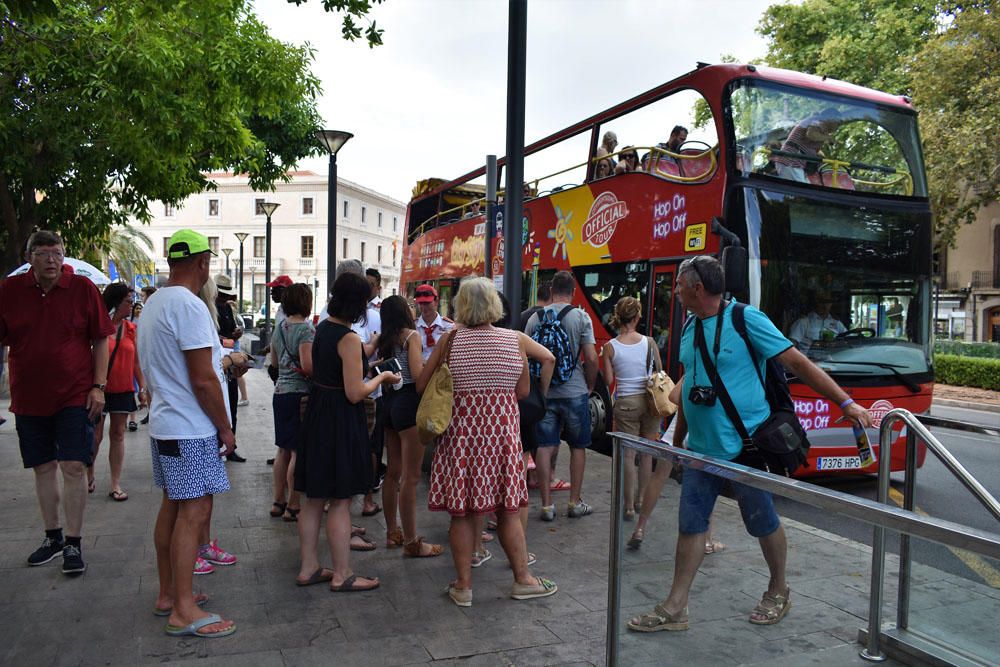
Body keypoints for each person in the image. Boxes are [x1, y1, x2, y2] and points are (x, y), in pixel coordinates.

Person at [627, 255, 872, 633]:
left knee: (761, 522)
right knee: (691, 525)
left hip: (745, 449)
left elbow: (800, 365)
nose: (673, 291)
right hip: (700, 451)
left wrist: (845, 402)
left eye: (678, 284)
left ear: (697, 287)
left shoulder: (746, 320)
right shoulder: (690, 327)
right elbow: (693, 382)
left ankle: (779, 589)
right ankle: (676, 606)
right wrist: (678, 444)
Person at [419, 277, 558, 607]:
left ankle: (464, 586)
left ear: (461, 306)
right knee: (508, 510)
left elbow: (422, 384)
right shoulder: (515, 340)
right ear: (494, 304)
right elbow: (523, 392)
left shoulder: (450, 341)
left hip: (461, 438)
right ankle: (523, 579)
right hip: (502, 437)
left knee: (462, 513)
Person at [138, 229, 248, 636]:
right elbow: (204, 380)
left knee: (173, 507)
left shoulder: (155, 303)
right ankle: (182, 610)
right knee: (194, 512)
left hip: (168, 425)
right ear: (202, 264)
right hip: (190, 428)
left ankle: (170, 593)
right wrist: (226, 428)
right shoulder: (188, 306)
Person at [0, 230, 114, 576]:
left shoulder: (82, 290)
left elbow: (100, 340)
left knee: (74, 466)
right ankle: (52, 536)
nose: (51, 259)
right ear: (29, 258)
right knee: (42, 467)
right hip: (29, 396)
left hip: (74, 394)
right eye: (43, 252)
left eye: (57, 252)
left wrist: (98, 386)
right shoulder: (9, 292)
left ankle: (74, 543)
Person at [294, 272, 400, 591]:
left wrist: (367, 372)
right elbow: (355, 392)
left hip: (317, 414)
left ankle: (309, 567)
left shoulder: (322, 329)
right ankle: (343, 574)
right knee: (340, 500)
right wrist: (382, 379)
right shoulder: (350, 338)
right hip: (340, 419)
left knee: (313, 499)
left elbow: (334, 373)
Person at [524, 270, 598, 521]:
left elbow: (527, 358)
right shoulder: (581, 317)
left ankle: (546, 505)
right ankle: (574, 502)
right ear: (573, 291)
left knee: (544, 446)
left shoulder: (535, 317)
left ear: (552, 289)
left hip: (545, 393)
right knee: (578, 445)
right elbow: (592, 357)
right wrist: (589, 385)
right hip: (575, 391)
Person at [377, 295, 443, 557]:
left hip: (389, 403)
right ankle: (413, 542)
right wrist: (433, 365)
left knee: (392, 472)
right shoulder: (410, 336)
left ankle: (393, 532)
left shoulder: (384, 339)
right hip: (408, 404)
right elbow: (417, 376)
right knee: (411, 477)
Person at [87, 282, 148, 501]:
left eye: (132, 302)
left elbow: (137, 363)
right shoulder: (97, 327)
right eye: (127, 302)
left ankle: (115, 483)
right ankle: (90, 472)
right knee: (95, 435)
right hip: (100, 390)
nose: (131, 306)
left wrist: (141, 388)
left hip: (123, 389)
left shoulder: (131, 329)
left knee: (118, 435)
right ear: (115, 301)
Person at [600, 297, 658, 520]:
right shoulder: (650, 342)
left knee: (628, 455)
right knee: (646, 455)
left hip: (625, 403)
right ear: (636, 317)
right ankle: (642, 499)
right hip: (649, 402)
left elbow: (607, 379)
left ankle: (628, 507)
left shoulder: (609, 347)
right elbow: (659, 372)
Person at [270, 283, 315, 524]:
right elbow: (308, 367)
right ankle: (293, 504)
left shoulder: (279, 328)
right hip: (299, 394)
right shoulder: (306, 330)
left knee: (282, 449)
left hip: (280, 393)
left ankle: (278, 501)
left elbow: (274, 363)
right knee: (298, 450)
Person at [214, 274, 246, 462]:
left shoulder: (226, 308)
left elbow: (229, 334)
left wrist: (236, 335)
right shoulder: (208, 308)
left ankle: (231, 445)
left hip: (230, 362)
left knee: (232, 404)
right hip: (218, 362)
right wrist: (228, 339)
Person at [772, 108, 840, 182]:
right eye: (838, 122)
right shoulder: (816, 121)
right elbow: (811, 134)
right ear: (831, 118)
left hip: (795, 163)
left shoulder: (820, 126)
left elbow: (810, 146)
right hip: (791, 161)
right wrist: (828, 137)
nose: (838, 125)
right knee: (802, 191)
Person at [415, 284, 454, 361]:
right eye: (421, 303)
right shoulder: (413, 326)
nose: (423, 307)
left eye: (427, 303)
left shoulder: (449, 326)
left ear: (436, 301)